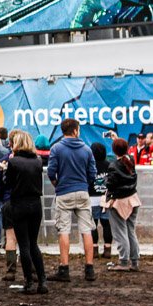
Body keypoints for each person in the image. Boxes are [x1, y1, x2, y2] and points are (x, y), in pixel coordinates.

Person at [0, 130, 47, 294]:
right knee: (33, 244)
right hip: (35, 204)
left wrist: (5, 169)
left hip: (19, 204)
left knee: (23, 245)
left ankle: (29, 282)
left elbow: (8, 183)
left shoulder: (14, 162)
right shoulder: (38, 161)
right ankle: (42, 281)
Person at [46, 118, 97, 282]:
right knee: (86, 230)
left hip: (64, 192)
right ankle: (89, 269)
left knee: (64, 230)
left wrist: (57, 184)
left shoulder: (56, 148)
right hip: (82, 192)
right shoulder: (87, 149)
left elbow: (51, 171)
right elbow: (92, 174)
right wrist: (84, 184)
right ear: (75, 130)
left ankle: (64, 268)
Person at [104, 138, 141, 272]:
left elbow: (110, 184)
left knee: (120, 232)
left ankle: (124, 261)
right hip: (133, 199)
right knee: (130, 231)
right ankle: (134, 261)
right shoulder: (130, 159)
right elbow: (124, 153)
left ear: (114, 150)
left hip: (119, 202)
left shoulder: (113, 166)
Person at [90, 141, 114, 260]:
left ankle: (94, 249)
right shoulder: (109, 165)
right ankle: (107, 249)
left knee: (92, 224)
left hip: (92, 199)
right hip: (106, 199)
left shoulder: (89, 165)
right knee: (106, 224)